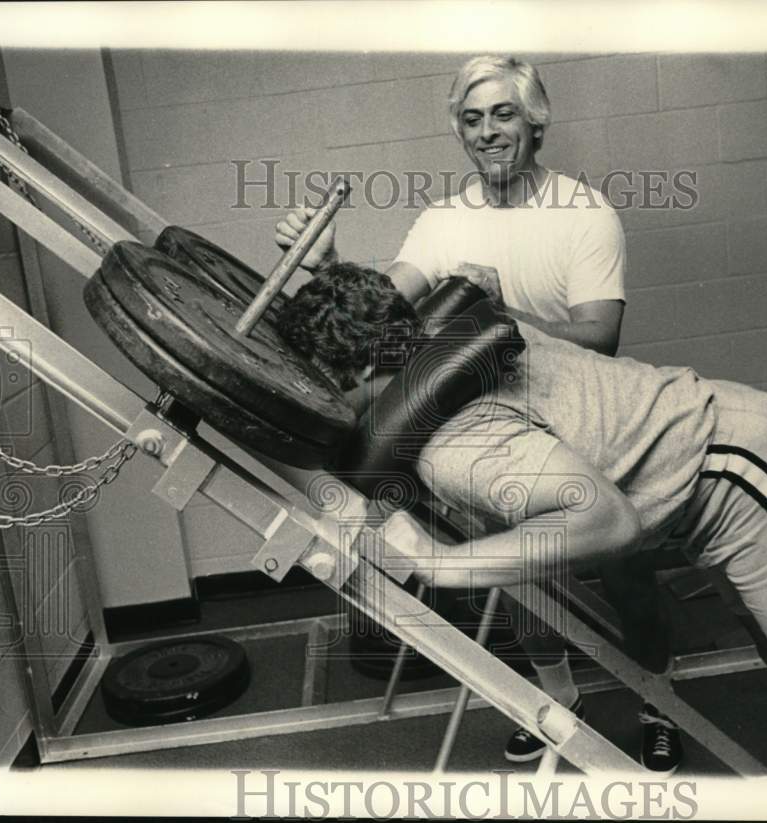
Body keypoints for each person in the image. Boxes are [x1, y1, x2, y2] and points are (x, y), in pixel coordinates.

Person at [276, 262, 767, 779]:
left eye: (321, 383)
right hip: (709, 477)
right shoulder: (447, 338)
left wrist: (435, 560)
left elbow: (607, 522)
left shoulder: (457, 447)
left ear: (363, 369)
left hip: (747, 474)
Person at [275, 54, 682, 772]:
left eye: (503, 113)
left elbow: (602, 336)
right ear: (459, 133)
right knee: (520, 578)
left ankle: (661, 702)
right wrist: (330, 264)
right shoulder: (442, 221)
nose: (488, 131)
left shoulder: (585, 213)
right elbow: (382, 309)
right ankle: (559, 699)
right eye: (472, 118)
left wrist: (495, 311)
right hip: (491, 430)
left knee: (626, 570)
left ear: (536, 119)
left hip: (585, 412)